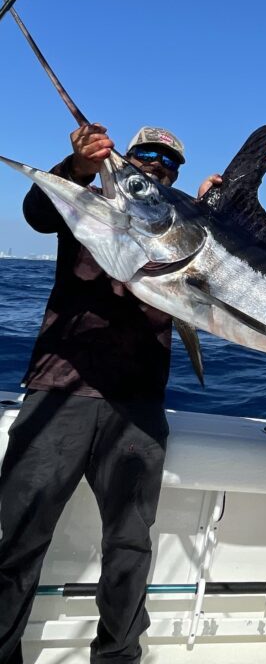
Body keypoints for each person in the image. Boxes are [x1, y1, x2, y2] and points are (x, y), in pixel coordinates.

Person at [0, 122, 189, 664]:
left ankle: (119, 655)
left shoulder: (180, 230)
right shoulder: (85, 205)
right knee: (20, 539)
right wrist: (78, 166)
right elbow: (38, 215)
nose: (155, 165)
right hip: (59, 389)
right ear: (125, 160)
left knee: (130, 546)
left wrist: (216, 209)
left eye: (168, 163)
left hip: (137, 403)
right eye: (145, 155)